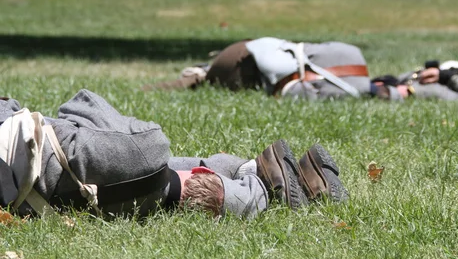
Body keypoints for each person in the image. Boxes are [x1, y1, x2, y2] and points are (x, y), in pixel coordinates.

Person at [0, 90, 348, 220]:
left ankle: (252, 172)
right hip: (71, 163)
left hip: (59, 164)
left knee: (152, 177)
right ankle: (259, 186)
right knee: (140, 155)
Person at [147, 37, 458, 102]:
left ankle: (198, 73)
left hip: (241, 53)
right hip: (240, 70)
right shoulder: (354, 86)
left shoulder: (351, 55)